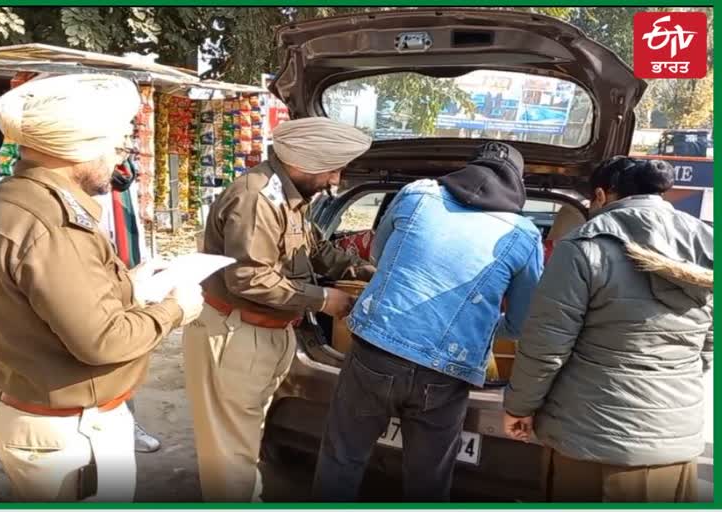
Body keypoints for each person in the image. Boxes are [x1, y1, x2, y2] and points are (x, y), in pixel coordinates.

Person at [0, 74, 204, 502]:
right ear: (78, 149)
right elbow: (103, 341)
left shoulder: (1, 200)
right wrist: (175, 310)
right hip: (70, 434)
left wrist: (128, 284)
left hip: (38, 416)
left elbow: (39, 299)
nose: (118, 161)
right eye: (114, 148)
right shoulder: (52, 223)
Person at [313, 141, 544, 501]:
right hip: (446, 373)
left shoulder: (418, 193)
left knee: (342, 459)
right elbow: (522, 321)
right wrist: (478, 328)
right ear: (518, 183)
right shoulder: (524, 235)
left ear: (469, 168)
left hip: (376, 351)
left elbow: (377, 253)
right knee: (429, 482)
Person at [183, 117, 376, 502]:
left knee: (244, 442)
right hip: (236, 335)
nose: (335, 181)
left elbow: (315, 251)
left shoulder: (290, 197)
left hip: (268, 334)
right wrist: (325, 300)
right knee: (229, 456)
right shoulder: (257, 198)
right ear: (303, 162)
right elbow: (250, 279)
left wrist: (366, 271)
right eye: (332, 169)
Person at [503, 156, 713, 502]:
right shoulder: (706, 243)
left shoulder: (586, 246)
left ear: (601, 195)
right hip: (673, 443)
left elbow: (546, 346)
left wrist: (519, 407)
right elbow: (708, 343)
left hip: (588, 443)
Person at [94, 158, 163, 453]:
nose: (126, 144)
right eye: (119, 137)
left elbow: (128, 224)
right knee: (109, 345)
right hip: (98, 275)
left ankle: (123, 419)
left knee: (125, 353)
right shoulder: (87, 177)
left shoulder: (122, 174)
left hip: (124, 266)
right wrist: (172, 313)